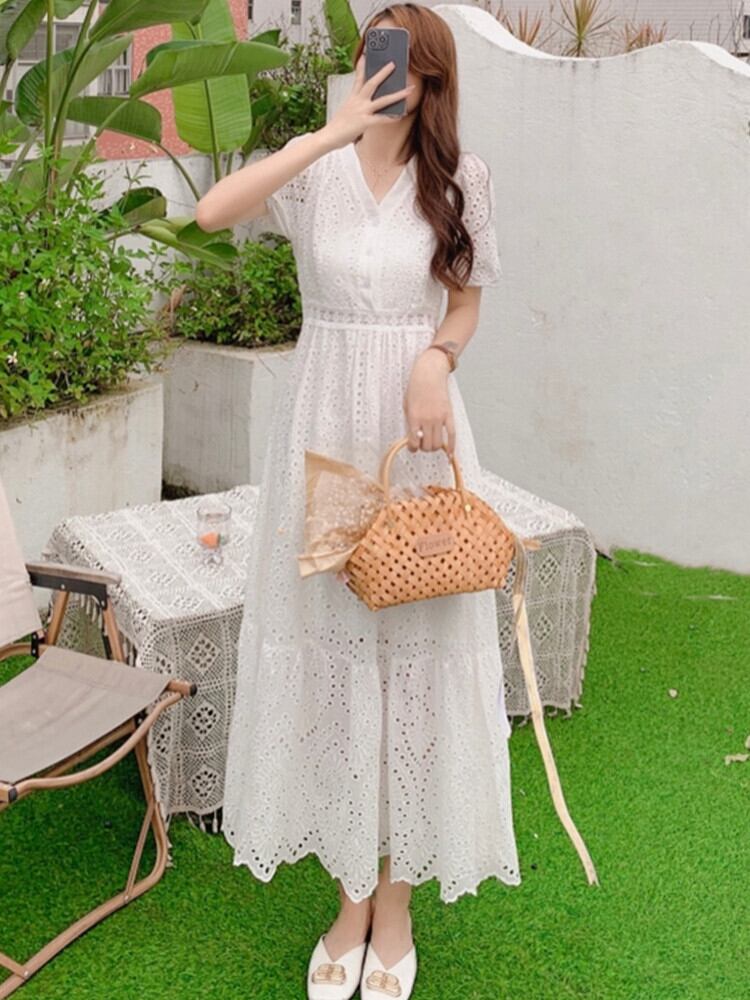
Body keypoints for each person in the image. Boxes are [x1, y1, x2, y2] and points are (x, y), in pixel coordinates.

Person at [195, 4, 519, 997]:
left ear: (432, 81)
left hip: (415, 440)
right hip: (326, 441)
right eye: (372, 54)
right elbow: (213, 213)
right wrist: (329, 132)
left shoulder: (459, 180)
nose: (384, 75)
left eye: (404, 63)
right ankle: (350, 897)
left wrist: (435, 358)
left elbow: (465, 298)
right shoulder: (317, 170)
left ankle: (396, 900)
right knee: (337, 656)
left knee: (415, 664)